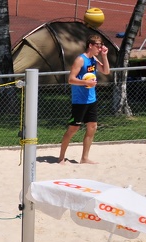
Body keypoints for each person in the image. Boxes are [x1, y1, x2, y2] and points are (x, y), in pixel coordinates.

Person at [57, 36, 110, 165]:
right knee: (73, 129)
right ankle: (61, 157)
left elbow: (106, 71)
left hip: (91, 100)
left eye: (101, 45)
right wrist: (85, 82)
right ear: (90, 45)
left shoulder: (93, 60)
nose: (100, 47)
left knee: (92, 127)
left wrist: (104, 55)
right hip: (79, 101)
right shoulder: (81, 60)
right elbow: (71, 79)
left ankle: (84, 158)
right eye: (98, 45)